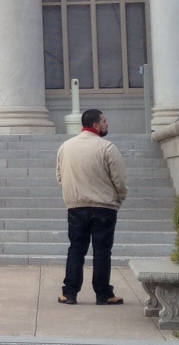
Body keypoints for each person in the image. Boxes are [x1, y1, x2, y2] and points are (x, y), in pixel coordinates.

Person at [55, 108, 128, 305]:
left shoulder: (66, 147)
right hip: (104, 206)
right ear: (96, 125)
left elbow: (60, 176)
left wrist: (73, 195)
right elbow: (119, 179)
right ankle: (103, 293)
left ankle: (69, 293)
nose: (107, 124)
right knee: (102, 252)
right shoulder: (107, 148)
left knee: (76, 250)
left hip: (76, 206)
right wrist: (120, 197)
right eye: (105, 121)